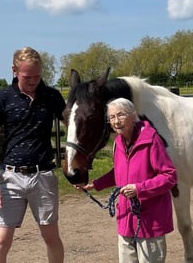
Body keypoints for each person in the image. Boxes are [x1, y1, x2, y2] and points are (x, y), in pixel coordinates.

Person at [0, 46, 65, 263]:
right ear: (14, 70)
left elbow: (76, 125)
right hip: (10, 178)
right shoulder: (2, 98)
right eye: (28, 76)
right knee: (0, 240)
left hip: (43, 176)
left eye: (37, 76)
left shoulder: (52, 96)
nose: (33, 81)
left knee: (51, 236)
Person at [77, 98, 177, 263]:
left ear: (133, 115)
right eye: (112, 117)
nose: (116, 121)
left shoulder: (151, 140)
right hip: (125, 218)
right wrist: (95, 184)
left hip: (149, 220)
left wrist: (139, 189)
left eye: (120, 115)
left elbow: (169, 176)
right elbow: (119, 171)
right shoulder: (118, 142)